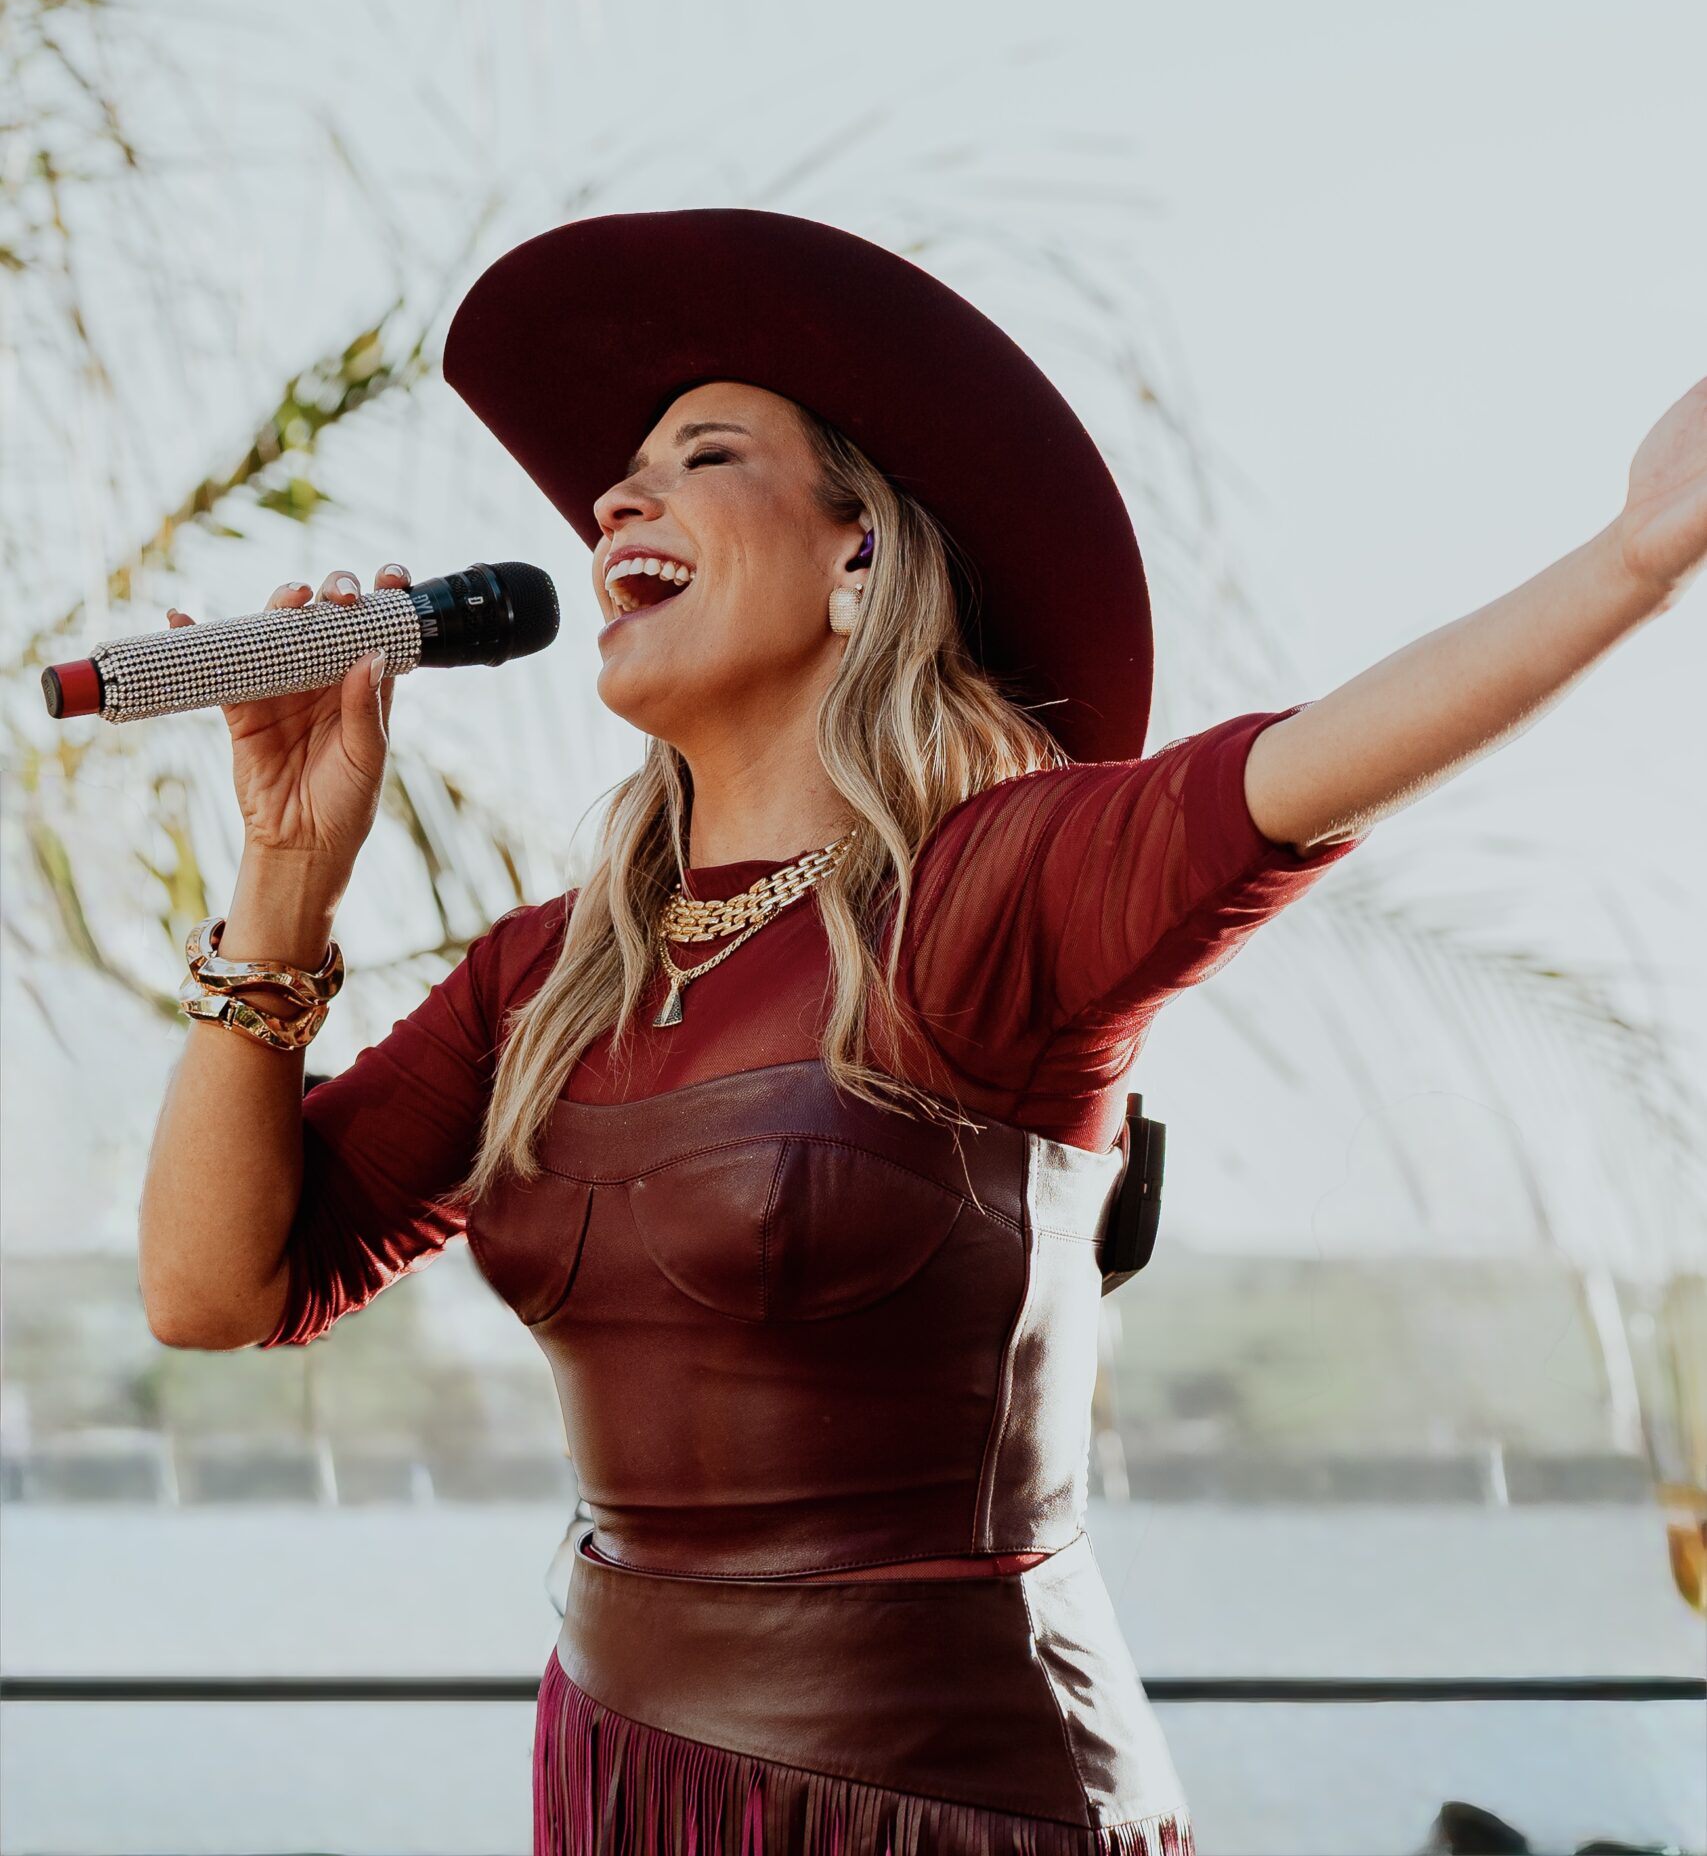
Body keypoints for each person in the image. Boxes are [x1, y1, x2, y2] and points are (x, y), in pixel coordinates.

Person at [138, 210, 1707, 1856]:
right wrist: (286, 871)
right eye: (618, 480)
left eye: (703, 456)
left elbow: (1309, 769)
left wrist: (1634, 559)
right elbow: (213, 1289)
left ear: (859, 560)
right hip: (621, 1782)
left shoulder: (990, 897)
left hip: (942, 1804)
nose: (612, 502)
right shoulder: (545, 977)